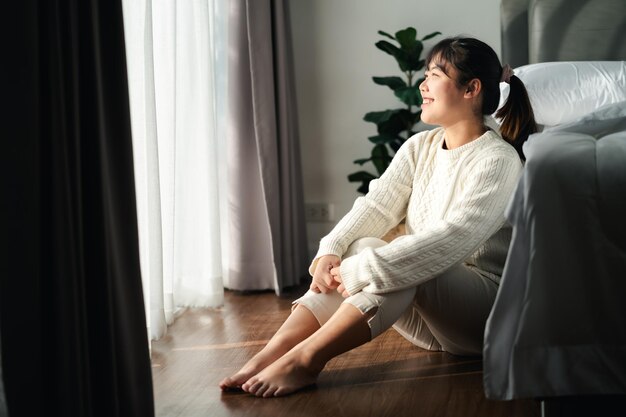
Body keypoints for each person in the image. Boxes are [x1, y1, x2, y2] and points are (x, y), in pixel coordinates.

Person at [219, 36, 537, 398]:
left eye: (434, 74)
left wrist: (361, 269)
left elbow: (452, 239)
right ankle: (270, 355)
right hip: (429, 319)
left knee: (402, 255)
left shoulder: (498, 160)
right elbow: (376, 206)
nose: (423, 84)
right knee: (366, 243)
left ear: (472, 88)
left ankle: (305, 361)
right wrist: (332, 249)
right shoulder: (421, 146)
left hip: (480, 318)